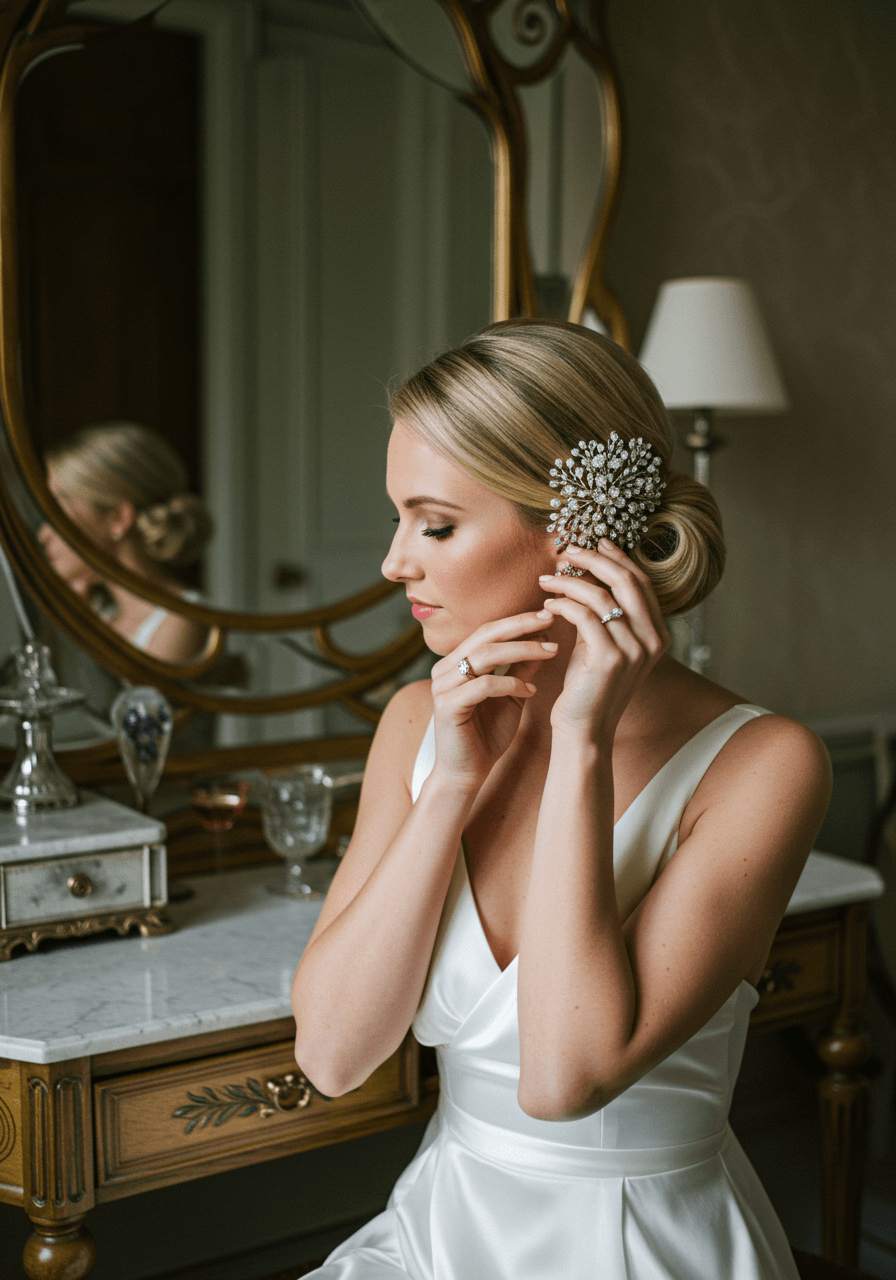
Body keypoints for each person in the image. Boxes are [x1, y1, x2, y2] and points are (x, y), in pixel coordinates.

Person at [291, 319, 831, 1279]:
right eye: (396, 518)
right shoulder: (420, 725)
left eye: (436, 524)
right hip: (435, 1238)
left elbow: (563, 1077)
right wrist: (451, 785)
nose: (394, 563)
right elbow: (333, 1058)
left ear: (579, 535)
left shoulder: (764, 765)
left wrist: (581, 740)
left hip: (642, 1250)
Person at [39, 421, 213, 663]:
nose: (43, 535)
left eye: (58, 514)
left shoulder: (181, 622)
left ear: (118, 519)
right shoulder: (104, 615)